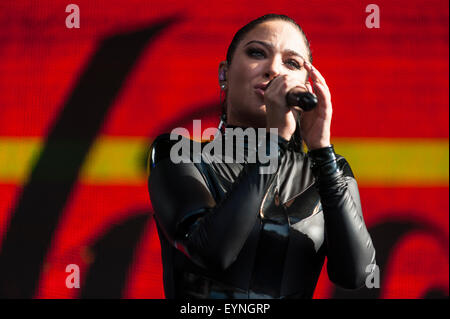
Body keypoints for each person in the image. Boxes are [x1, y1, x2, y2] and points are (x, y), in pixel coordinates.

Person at [147, 13, 376, 299]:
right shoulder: (179, 154)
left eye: (291, 63)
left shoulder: (330, 171)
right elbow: (212, 251)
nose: (273, 69)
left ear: (306, 87)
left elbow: (357, 275)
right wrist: (274, 141)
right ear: (224, 74)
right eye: (257, 53)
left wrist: (321, 151)